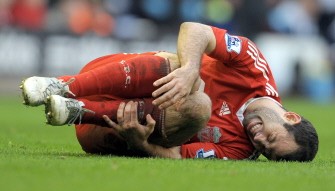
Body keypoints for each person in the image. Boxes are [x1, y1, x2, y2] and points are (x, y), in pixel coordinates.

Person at [21, 22, 318, 161]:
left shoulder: (240, 152)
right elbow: (194, 29)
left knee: (199, 104)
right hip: (107, 77)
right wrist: (190, 69)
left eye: (265, 150)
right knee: (189, 70)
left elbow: (177, 155)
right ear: (289, 117)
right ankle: (64, 87)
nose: (259, 140)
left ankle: (76, 111)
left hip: (109, 132)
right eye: (271, 138)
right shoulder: (254, 67)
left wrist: (140, 144)